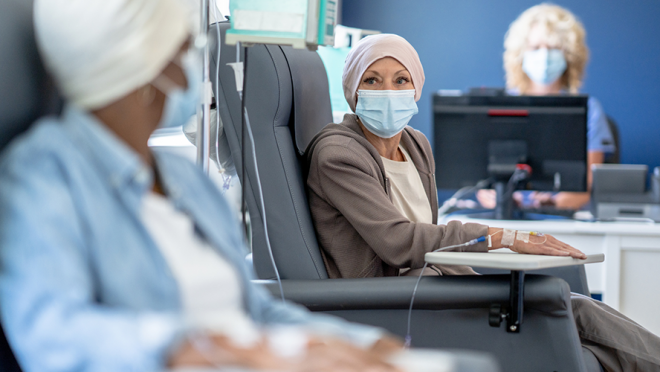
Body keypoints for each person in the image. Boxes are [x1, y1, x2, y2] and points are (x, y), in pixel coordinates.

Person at [0, 0, 404, 371]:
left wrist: (362, 343)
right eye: (180, 54)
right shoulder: (44, 175)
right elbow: (52, 330)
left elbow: (257, 312)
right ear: (140, 70)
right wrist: (198, 347)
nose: (189, 72)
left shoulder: (185, 179)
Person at [304, 33, 660, 371]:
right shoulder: (338, 153)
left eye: (400, 80)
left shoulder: (415, 145)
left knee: (569, 305)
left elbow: (429, 237)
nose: (387, 92)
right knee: (572, 310)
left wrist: (486, 283)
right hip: (390, 304)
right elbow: (400, 243)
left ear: (415, 87)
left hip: (428, 288)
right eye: (372, 80)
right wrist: (502, 237)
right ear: (352, 89)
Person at [478, 3, 615, 210]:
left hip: (562, 221)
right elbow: (480, 180)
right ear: (520, 53)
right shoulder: (500, 107)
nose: (544, 56)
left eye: (553, 48)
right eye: (535, 47)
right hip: (507, 218)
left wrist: (552, 203)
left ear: (570, 55)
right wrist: (490, 194)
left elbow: (584, 189)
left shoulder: (589, 110)